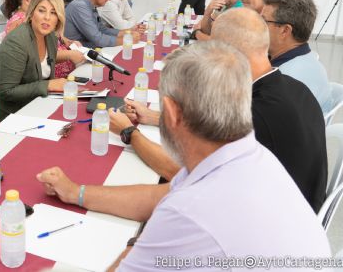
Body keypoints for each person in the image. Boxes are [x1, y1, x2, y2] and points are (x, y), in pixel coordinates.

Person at [37, 41, 330, 270]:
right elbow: (162, 195)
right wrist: (77, 192)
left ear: (172, 112)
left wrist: (141, 241)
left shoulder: (189, 213)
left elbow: (170, 212)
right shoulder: (248, 154)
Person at [109, 8, 328, 212]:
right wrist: (154, 117)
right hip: (295, 207)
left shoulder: (254, 115)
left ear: (227, 53)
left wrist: (130, 132)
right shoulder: (293, 87)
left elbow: (179, 171)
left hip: (262, 225)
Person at [0, 0, 79, 123]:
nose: (47, 17)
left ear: (58, 18)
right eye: (41, 10)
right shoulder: (16, 42)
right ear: (31, 13)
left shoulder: (51, 37)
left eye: (53, 12)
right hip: (8, 116)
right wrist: (48, 85)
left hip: (35, 107)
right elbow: (7, 91)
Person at [262, 0, 333, 113]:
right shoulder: (309, 59)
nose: (256, 26)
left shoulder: (282, 80)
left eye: (263, 21)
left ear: (285, 30)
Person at [64, 0, 140, 48]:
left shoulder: (90, 4)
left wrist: (127, 32)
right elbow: (97, 39)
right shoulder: (80, 6)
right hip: (78, 54)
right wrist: (127, 40)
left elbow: (101, 29)